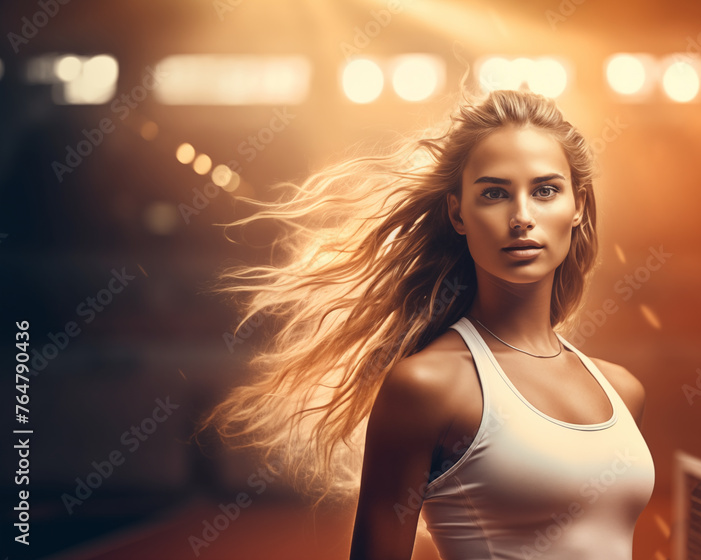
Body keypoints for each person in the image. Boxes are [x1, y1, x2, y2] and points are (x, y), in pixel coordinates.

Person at [197, 87, 655, 560]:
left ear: (576, 206)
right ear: (458, 213)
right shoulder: (427, 386)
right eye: (495, 193)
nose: (522, 217)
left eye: (545, 190)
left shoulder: (622, 391)